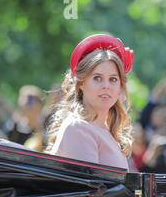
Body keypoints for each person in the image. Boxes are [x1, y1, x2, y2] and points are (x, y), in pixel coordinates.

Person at [45, 34, 134, 170]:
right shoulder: (78, 128)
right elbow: (89, 190)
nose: (106, 86)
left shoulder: (107, 130)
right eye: (97, 78)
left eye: (113, 79)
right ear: (81, 83)